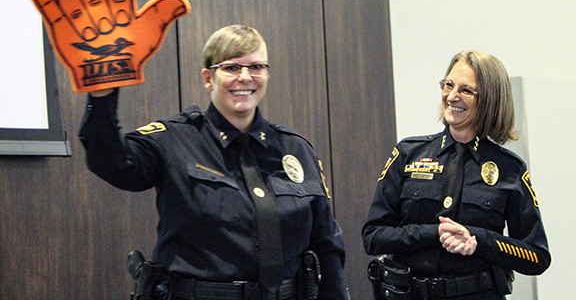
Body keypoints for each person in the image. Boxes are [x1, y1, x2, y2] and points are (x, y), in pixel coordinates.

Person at [79, 25, 348, 300]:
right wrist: (102, 97)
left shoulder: (294, 147)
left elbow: (326, 242)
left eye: (256, 67)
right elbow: (114, 164)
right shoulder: (173, 139)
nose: (245, 77)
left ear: (266, 74)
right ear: (208, 78)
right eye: (231, 68)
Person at [362, 51, 551, 300]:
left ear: (489, 100)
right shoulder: (408, 153)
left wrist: (480, 240)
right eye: (448, 85)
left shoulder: (509, 168)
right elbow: (373, 237)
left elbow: (536, 257)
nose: (452, 96)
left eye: (466, 90)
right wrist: (433, 234)